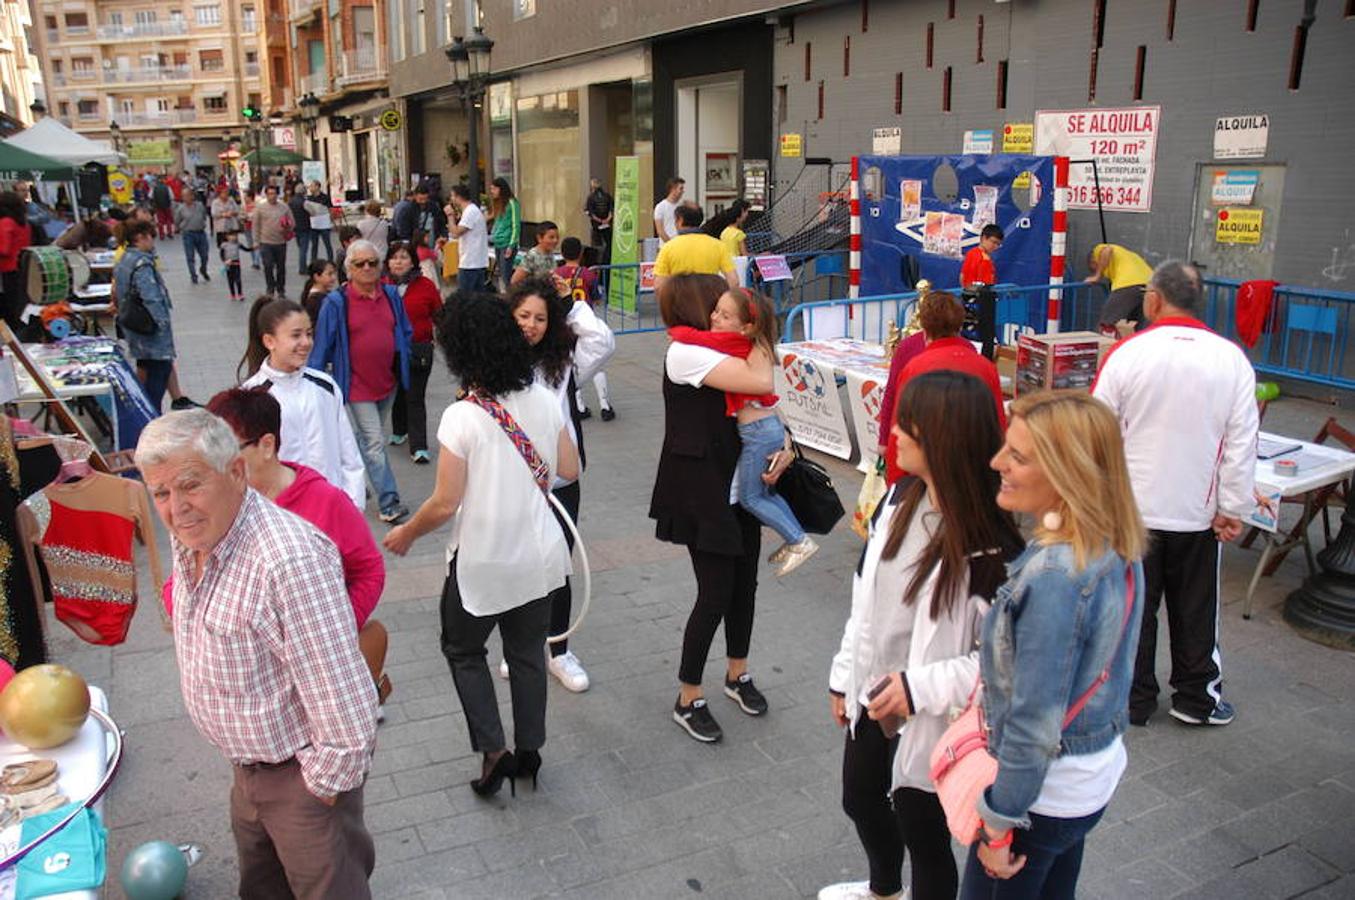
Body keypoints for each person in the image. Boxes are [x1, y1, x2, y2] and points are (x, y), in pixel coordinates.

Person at [136, 410, 378, 899]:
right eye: (161, 493)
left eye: (190, 485)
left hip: (300, 782)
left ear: (237, 473)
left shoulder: (289, 560)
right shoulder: (198, 536)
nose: (176, 508)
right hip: (247, 771)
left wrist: (318, 790)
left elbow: (347, 706)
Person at [820, 371, 1023, 900]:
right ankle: (884, 889)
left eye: (909, 423)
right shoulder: (899, 498)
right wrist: (845, 676)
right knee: (860, 799)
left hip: (935, 721)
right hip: (874, 696)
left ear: (946, 436)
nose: (894, 432)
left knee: (924, 835)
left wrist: (917, 689)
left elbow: (1001, 664)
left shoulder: (991, 547)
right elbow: (865, 598)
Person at [383, 294, 578, 797]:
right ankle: (531, 751)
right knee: (530, 654)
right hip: (540, 558)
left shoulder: (461, 417)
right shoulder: (540, 395)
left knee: (463, 649)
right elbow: (571, 470)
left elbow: (445, 504)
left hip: (484, 562)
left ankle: (493, 752)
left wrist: (406, 532)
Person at [968, 390, 1146, 900]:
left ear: (1070, 473)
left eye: (1018, 457)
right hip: (1092, 773)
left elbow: (1033, 721)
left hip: (1041, 797)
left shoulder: (1054, 577)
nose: (997, 462)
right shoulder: (1115, 540)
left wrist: (1000, 823)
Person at [1092, 260, 1257, 728]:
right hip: (1197, 511)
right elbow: (1243, 441)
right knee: (1196, 610)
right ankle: (1196, 697)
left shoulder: (1127, 354)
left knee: (1132, 612)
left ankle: (1132, 699)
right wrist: (1233, 507)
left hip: (1132, 511)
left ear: (1153, 299)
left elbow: (1097, 431)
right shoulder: (1231, 360)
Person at [651, 274, 792, 743]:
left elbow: (763, 403)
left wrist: (786, 443)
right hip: (700, 490)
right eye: (715, 304)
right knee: (714, 594)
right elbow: (761, 378)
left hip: (740, 485)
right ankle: (688, 696)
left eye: (726, 308)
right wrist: (762, 332)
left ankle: (737, 674)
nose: (718, 312)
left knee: (743, 588)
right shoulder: (685, 351)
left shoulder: (725, 348)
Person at [205, 387, 392, 706]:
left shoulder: (325, 501)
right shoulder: (217, 504)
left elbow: (370, 569)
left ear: (266, 445)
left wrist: (339, 625)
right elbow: (184, 583)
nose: (216, 465)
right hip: (251, 686)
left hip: (318, 682)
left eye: (227, 452)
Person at [503, 277, 615, 692]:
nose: (530, 325)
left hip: (560, 481)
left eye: (540, 318)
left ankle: (559, 650)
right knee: (517, 564)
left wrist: (571, 304)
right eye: (523, 316)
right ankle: (518, 648)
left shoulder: (563, 362)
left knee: (558, 565)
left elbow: (602, 341)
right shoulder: (494, 361)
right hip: (511, 481)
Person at [667, 287, 818, 575]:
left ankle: (798, 540)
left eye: (725, 315)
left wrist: (678, 333)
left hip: (758, 432)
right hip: (763, 429)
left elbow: (698, 338)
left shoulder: (735, 343)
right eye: (715, 311)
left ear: (747, 326)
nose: (715, 319)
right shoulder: (750, 343)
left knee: (752, 498)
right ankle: (794, 537)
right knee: (763, 493)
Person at [308, 239, 413, 524]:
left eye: (373, 263)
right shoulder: (336, 302)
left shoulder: (391, 294)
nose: (367, 268)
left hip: (386, 382)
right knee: (374, 442)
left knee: (367, 440)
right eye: (360, 264)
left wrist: (404, 352)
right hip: (354, 385)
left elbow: (404, 329)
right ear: (349, 269)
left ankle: (352, 478)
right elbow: (320, 348)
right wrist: (311, 386)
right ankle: (389, 502)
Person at [239, 296, 366, 508]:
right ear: (269, 341)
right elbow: (246, 467)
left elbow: (349, 454)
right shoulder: (250, 397)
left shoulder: (325, 386)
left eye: (309, 334)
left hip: (331, 509)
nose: (306, 343)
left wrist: (352, 506)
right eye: (296, 335)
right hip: (283, 516)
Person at [881, 292, 1006, 486]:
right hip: (973, 467)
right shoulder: (984, 365)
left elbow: (900, 419)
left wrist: (896, 481)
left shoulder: (916, 366)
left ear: (924, 327)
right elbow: (997, 422)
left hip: (928, 464)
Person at [384, 242, 443, 464]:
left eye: (404, 257)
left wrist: (439, 338)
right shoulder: (380, 285)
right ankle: (399, 429)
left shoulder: (425, 285)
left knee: (415, 396)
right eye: (394, 257)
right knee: (398, 391)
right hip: (388, 349)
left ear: (413, 262)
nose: (398, 261)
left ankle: (419, 446)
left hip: (419, 348)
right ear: (388, 262)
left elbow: (439, 314)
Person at [113, 220, 178, 411]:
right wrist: (163, 323)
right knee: (159, 374)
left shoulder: (124, 259)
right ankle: (151, 416)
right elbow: (151, 297)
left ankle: (147, 414)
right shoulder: (142, 263)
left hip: (133, 326)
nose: (153, 242)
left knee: (147, 369)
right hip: (149, 329)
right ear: (141, 238)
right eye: (151, 237)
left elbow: (117, 291)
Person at [556, 237, 616, 421]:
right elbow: (597, 298)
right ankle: (605, 405)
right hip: (587, 325)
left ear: (562, 253)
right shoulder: (588, 275)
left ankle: (579, 407)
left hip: (566, 325)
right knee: (597, 365)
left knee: (571, 364)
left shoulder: (556, 273)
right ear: (581, 253)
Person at [654, 204, 739, 291]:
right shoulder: (718, 246)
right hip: (710, 300)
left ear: (680, 220)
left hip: (680, 301)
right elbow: (734, 281)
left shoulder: (668, 248)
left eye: (675, 220)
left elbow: (658, 285)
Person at [1084, 242, 1153, 332]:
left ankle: (1100, 343)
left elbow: (1107, 250)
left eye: (1094, 268)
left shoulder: (1099, 251)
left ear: (1094, 261)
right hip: (1150, 287)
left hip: (1128, 284)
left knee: (1106, 324)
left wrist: (1097, 276)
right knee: (1139, 328)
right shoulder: (1131, 256)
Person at [447, 184, 489, 293]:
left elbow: (456, 232)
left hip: (470, 263)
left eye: (452, 196)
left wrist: (450, 216)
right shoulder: (472, 210)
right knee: (477, 298)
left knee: (465, 298)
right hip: (476, 261)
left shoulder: (470, 212)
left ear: (458, 197)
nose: (451, 199)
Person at [252, 183, 292, 297]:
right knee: (268, 265)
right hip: (266, 242)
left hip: (280, 241)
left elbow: (292, 222)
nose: (272, 196)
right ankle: (270, 287)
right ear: (266, 195)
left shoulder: (284, 207)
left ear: (277, 194)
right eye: (269, 194)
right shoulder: (260, 208)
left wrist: (287, 227)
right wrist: (256, 241)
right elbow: (256, 225)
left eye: (274, 193)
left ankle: (281, 289)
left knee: (281, 267)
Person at [0, 191, 32, 328]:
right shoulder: (24, 223)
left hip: (8, 269)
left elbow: (4, 249)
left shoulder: (5, 223)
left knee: (9, 308)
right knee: (19, 306)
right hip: (23, 268)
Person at [488, 178, 521, 292]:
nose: (492, 191)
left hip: (507, 243)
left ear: (500, 189)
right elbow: (497, 221)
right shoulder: (498, 203)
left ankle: (509, 297)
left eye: (494, 188)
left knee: (506, 275)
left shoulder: (512, 202)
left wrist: (511, 245)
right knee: (501, 273)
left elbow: (516, 224)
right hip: (498, 242)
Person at [174, 190, 211, 284]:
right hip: (188, 234)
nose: (185, 198)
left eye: (187, 196)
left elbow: (203, 216)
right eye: (183, 196)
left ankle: (203, 269)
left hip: (200, 232)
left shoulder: (200, 206)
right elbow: (177, 221)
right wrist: (182, 227)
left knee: (204, 255)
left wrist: (201, 224)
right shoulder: (180, 208)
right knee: (190, 256)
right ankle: (193, 275)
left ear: (192, 196)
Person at [510, 221, 560, 286]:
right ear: (539, 238)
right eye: (551, 237)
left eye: (557, 237)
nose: (555, 240)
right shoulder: (532, 256)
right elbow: (514, 281)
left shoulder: (550, 253)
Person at [299, 258, 339, 323]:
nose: (334, 278)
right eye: (329, 274)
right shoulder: (315, 300)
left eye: (334, 274)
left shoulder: (324, 294)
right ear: (316, 276)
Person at [584, 176, 613, 262]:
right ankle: (608, 261)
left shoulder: (591, 197)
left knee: (597, 247)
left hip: (597, 226)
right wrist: (607, 219)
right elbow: (612, 209)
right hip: (607, 225)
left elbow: (590, 212)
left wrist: (599, 220)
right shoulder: (607, 196)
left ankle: (599, 263)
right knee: (609, 245)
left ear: (592, 185)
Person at [306, 180, 335, 262]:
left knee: (327, 244)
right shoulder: (309, 198)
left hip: (324, 224)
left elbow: (331, 209)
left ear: (317, 187)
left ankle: (330, 260)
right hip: (314, 224)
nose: (310, 188)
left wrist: (331, 219)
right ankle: (313, 261)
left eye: (312, 186)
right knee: (314, 245)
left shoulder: (325, 197)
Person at [290, 184, 313, 276]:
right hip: (305, 227)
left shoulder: (291, 201)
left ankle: (302, 266)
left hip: (295, 228)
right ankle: (302, 268)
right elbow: (312, 212)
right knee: (303, 249)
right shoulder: (305, 202)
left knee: (300, 247)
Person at [653, 177, 685, 245]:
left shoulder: (682, 206)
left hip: (681, 245)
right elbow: (660, 231)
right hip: (665, 247)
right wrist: (671, 244)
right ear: (673, 189)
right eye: (681, 188)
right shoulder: (660, 207)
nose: (683, 191)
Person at [240, 188, 261, 269]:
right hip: (247, 226)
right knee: (250, 244)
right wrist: (243, 218)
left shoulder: (257, 206)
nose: (244, 198)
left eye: (246, 197)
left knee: (256, 243)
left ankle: (256, 262)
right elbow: (241, 216)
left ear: (251, 197)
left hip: (255, 227)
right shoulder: (243, 206)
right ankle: (254, 261)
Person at [220, 229, 243, 302]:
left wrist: (253, 248)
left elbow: (246, 249)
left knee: (238, 279)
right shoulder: (224, 245)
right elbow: (221, 254)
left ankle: (240, 294)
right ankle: (232, 294)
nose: (234, 237)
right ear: (227, 236)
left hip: (236, 263)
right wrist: (225, 261)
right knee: (230, 280)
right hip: (229, 264)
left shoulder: (238, 244)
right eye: (232, 235)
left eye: (235, 236)